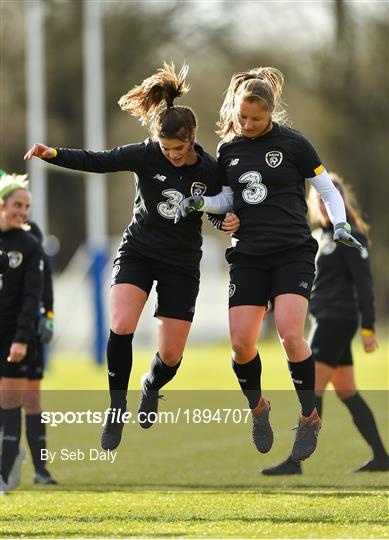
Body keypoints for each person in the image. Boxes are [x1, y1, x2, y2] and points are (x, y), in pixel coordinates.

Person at [24, 63, 240, 452]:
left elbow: (212, 209)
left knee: (171, 355)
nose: (172, 155)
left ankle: (151, 385)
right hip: (139, 250)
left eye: (178, 149)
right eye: (165, 149)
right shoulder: (145, 155)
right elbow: (98, 160)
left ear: (192, 139)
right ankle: (116, 407)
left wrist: (225, 220)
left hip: (181, 261)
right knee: (121, 323)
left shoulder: (209, 168)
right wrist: (52, 153)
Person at [176, 67, 362, 463]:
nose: (247, 124)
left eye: (255, 119)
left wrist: (341, 222)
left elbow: (325, 188)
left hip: (292, 251)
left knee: (290, 336)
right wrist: (206, 206)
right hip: (247, 255)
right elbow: (227, 200)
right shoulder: (229, 149)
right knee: (242, 344)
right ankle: (259, 408)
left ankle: (309, 416)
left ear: (271, 113)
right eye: (242, 117)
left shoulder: (295, 144)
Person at [262, 172, 389, 475]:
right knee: (347, 391)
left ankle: (295, 462)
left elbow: (365, 283)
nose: (321, 203)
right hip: (325, 318)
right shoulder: (317, 238)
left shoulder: (351, 237)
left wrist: (369, 328)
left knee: (311, 388)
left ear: (340, 201)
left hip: (338, 320)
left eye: (327, 198)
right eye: (317, 198)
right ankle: (382, 457)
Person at [0, 174, 44, 493]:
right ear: (2, 205)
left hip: (14, 337)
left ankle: (4, 475)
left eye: (26, 207)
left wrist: (21, 339)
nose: (22, 212)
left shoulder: (29, 246)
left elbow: (32, 298)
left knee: (11, 404)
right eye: (17, 205)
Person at [22, 220, 57, 484]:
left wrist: (48, 315)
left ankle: (40, 470)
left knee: (32, 400)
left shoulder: (32, 233)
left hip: (28, 333)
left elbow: (46, 283)